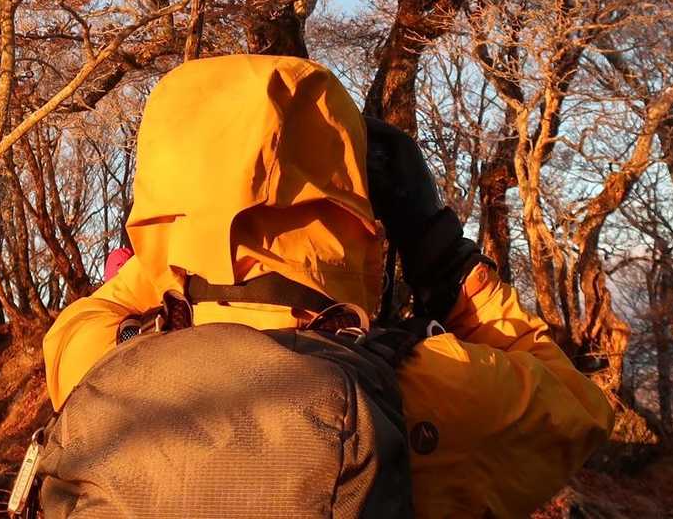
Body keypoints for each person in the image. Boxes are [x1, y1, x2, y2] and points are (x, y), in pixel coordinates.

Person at [39, 55, 612, 517]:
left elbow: (92, 312)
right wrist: (439, 252)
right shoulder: (437, 390)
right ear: (351, 208)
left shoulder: (97, 362)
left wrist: (185, 236)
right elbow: (580, 408)